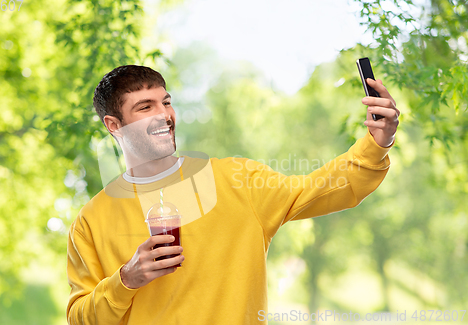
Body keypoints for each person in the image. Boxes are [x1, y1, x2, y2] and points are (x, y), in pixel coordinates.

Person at [66, 65, 399, 324]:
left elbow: (325, 189)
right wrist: (127, 279)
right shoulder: (92, 220)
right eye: (145, 107)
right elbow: (82, 318)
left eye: (166, 102)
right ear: (114, 125)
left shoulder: (237, 179)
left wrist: (377, 142)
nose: (164, 115)